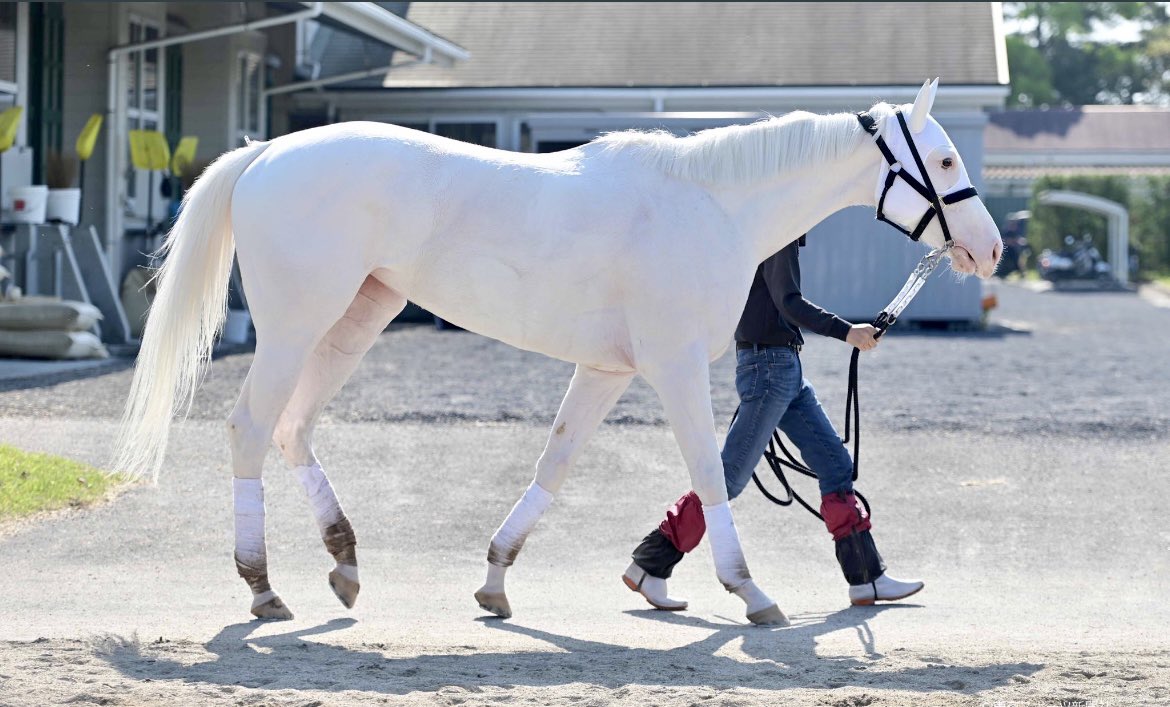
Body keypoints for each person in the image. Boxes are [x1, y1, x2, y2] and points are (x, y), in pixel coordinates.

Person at [622, 236, 924, 610]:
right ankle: (650, 565)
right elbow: (789, 302)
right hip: (771, 369)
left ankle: (867, 580)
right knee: (727, 478)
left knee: (834, 464)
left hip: (782, 368)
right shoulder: (777, 235)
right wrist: (847, 331)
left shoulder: (760, 235)